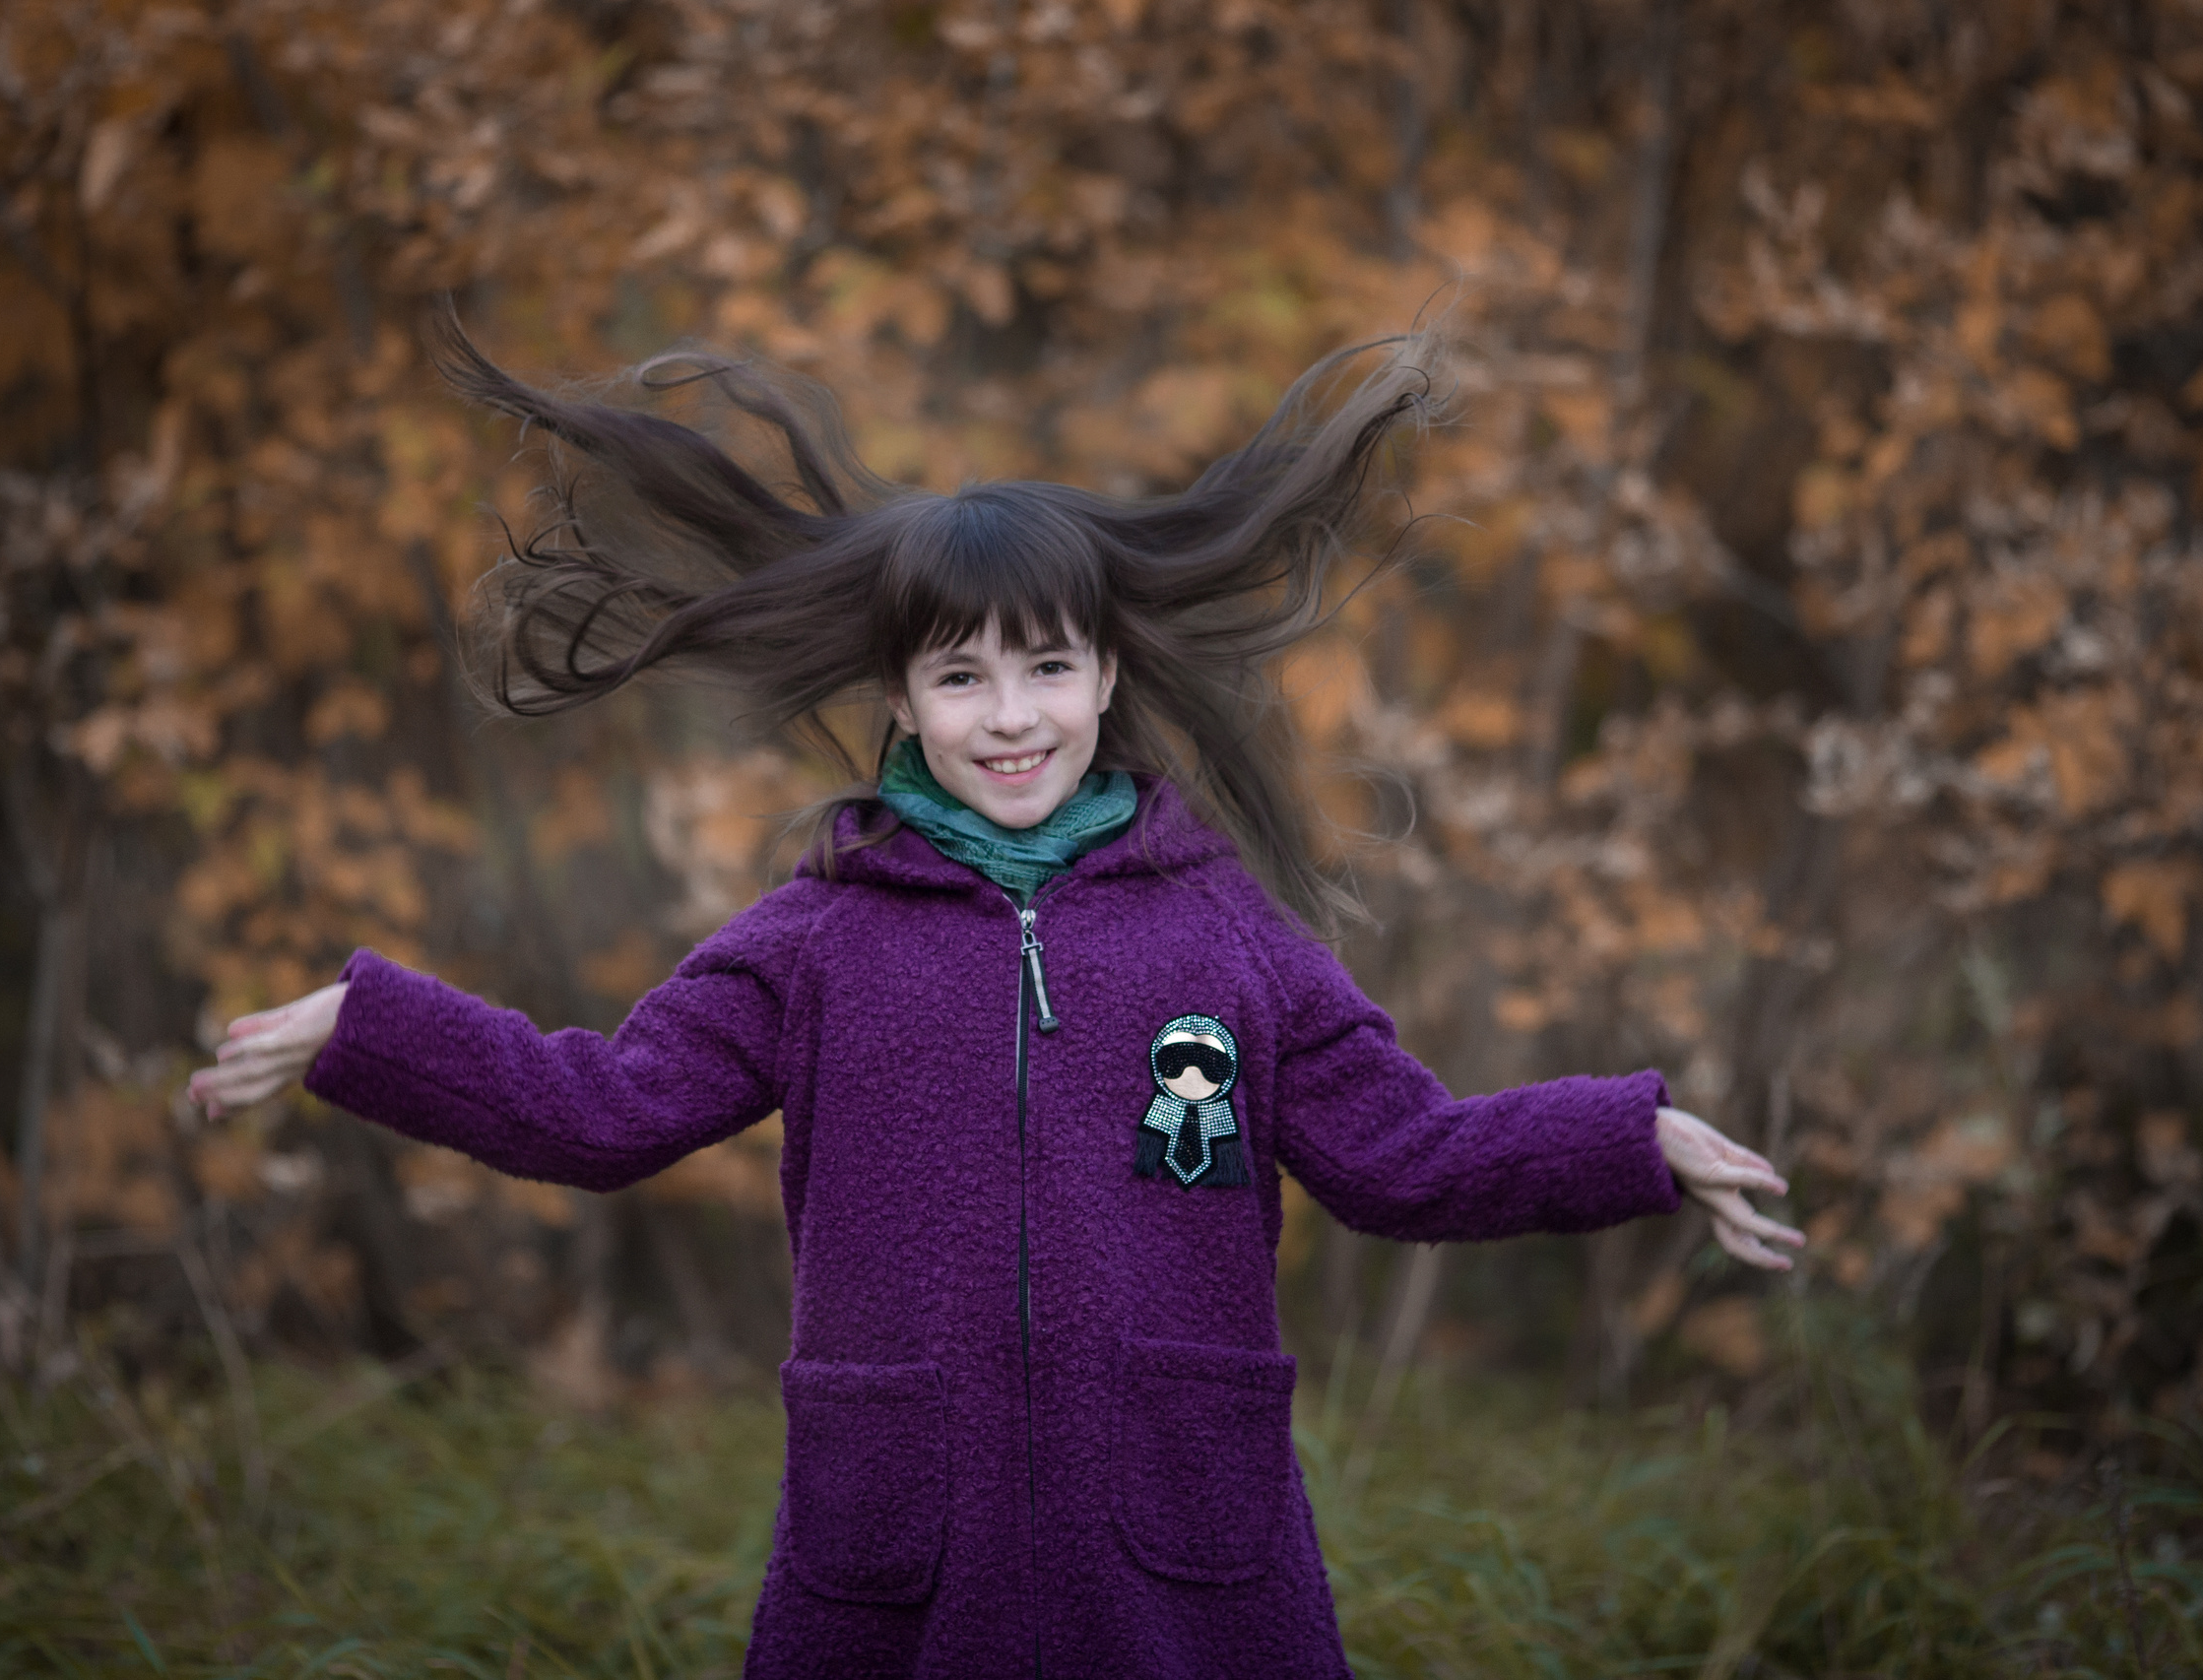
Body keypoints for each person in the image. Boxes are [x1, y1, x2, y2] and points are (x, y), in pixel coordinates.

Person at [189, 316, 1804, 1680]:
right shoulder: (814, 940)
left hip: (1188, 1566)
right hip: (897, 1567)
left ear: (1109, 675)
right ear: (900, 694)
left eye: (1046, 667)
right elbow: (601, 1105)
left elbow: (1410, 1154)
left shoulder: (1225, 938)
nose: (1009, 715)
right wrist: (370, 1027)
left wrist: (1636, 1136)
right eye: (962, 675)